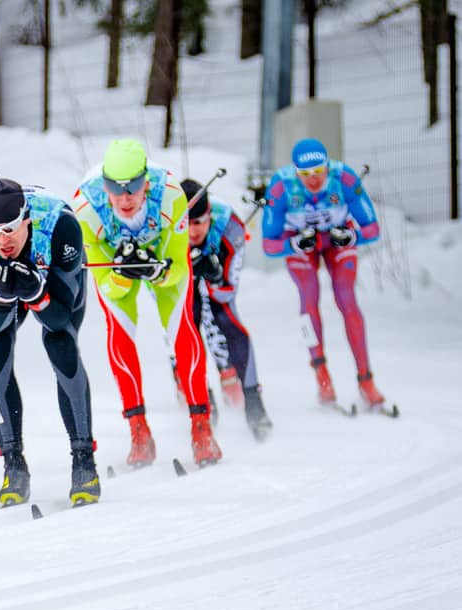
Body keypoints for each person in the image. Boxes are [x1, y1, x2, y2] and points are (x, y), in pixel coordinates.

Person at [71, 138, 223, 468]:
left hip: (161, 252)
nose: (125, 198)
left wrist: (155, 270)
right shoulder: (86, 207)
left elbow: (179, 267)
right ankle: (138, 430)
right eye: (115, 188)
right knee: (119, 333)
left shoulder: (169, 195)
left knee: (183, 330)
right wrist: (123, 275)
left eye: (133, 187)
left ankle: (202, 427)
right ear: (104, 184)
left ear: (147, 182)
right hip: (115, 258)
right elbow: (107, 286)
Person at [0, 177, 99, 507]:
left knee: (61, 344)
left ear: (27, 219)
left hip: (52, 282)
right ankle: (13, 464)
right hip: (1, 286)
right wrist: (3, 302)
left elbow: (59, 318)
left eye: (10, 229)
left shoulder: (61, 225)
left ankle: (84, 460)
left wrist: (37, 293)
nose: (2, 240)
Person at [262, 138, 386, 409]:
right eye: (305, 174)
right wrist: (293, 244)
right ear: (295, 172)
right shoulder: (282, 186)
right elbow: (269, 245)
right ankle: (322, 376)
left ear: (328, 166)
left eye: (319, 171)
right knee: (308, 300)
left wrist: (351, 236)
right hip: (301, 243)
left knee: (347, 300)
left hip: (336, 242)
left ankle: (366, 380)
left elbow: (373, 229)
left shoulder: (344, 177)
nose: (314, 179)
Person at [180, 178, 273, 441]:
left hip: (216, 267)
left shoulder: (230, 228)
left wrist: (213, 274)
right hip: (181, 274)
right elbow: (161, 291)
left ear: (209, 217)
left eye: (199, 223)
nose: (192, 232)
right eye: (186, 224)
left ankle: (254, 402)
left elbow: (228, 291)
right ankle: (200, 399)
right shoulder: (165, 226)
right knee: (185, 322)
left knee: (226, 318)